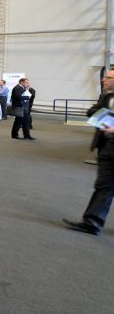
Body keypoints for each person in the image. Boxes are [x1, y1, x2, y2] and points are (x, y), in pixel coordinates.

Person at [63, 70, 114, 235]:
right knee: (104, 186)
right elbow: (91, 111)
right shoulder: (107, 97)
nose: (103, 79)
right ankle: (92, 222)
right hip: (106, 148)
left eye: (108, 77)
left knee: (105, 186)